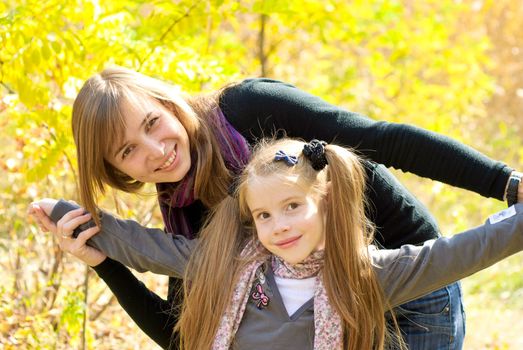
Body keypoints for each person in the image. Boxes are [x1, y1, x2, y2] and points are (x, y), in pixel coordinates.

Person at [29, 66, 523, 349]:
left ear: (170, 103)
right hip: (329, 318)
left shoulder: (248, 110)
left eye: (153, 123)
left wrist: (506, 183)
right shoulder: (188, 212)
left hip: (408, 289)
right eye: (127, 151)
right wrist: (107, 264)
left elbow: (383, 140)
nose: (154, 151)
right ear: (120, 171)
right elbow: (186, 338)